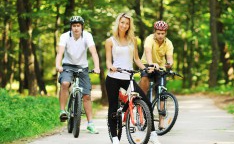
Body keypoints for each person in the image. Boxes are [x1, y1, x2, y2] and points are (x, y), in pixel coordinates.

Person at [105, 13, 161, 144]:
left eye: (127, 23)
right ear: (118, 23)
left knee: (145, 101)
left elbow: (136, 59)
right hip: (113, 77)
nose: (124, 25)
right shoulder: (110, 41)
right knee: (113, 108)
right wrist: (111, 67)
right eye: (122, 22)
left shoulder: (133, 40)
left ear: (130, 25)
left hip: (127, 77)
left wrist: (145, 68)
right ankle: (114, 138)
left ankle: (152, 133)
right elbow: (108, 61)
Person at [56, 16, 100, 134]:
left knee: (86, 96)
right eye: (74, 26)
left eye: (78, 26)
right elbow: (60, 53)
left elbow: (94, 53)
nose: (76, 28)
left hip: (82, 67)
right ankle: (62, 111)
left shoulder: (87, 36)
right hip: (67, 66)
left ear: (82, 27)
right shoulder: (65, 36)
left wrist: (97, 67)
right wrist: (58, 65)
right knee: (65, 83)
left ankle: (90, 124)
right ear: (71, 27)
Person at [139, 20, 174, 129]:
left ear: (165, 33)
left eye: (162, 33)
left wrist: (169, 64)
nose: (160, 35)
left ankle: (161, 120)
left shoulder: (168, 43)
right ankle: (141, 105)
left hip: (161, 67)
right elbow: (148, 52)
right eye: (158, 33)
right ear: (155, 32)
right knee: (144, 79)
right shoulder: (149, 39)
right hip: (147, 63)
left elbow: (170, 58)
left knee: (162, 92)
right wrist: (151, 64)